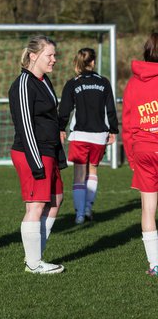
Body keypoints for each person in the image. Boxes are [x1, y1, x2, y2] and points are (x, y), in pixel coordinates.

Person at [9, 35, 67, 274]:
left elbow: (50, 119)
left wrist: (58, 155)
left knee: (56, 200)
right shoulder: (23, 84)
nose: (54, 60)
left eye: (54, 55)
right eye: (49, 55)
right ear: (33, 56)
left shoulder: (44, 81)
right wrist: (36, 162)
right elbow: (24, 125)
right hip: (32, 152)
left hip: (49, 151)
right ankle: (34, 263)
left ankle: (36, 256)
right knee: (36, 205)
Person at [59, 48, 119, 224]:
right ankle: (87, 209)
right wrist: (114, 130)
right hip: (99, 136)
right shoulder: (104, 82)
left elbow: (64, 109)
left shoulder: (73, 83)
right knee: (92, 170)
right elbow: (110, 109)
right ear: (93, 62)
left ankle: (78, 215)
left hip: (80, 135)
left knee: (79, 173)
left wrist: (61, 127)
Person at [122, 32, 158, 276]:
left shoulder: (133, 83)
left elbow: (127, 125)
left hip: (143, 149)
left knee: (147, 209)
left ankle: (155, 264)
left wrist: (132, 159)